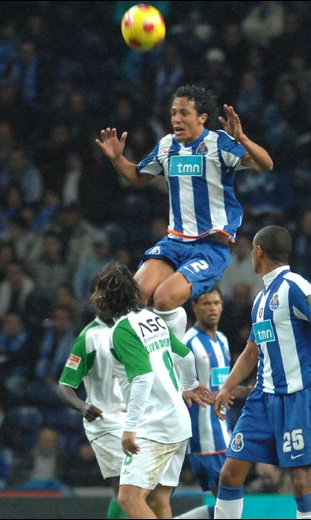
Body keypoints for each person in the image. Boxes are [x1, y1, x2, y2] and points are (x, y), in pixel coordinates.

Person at [95, 84, 273, 340]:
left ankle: (176, 353)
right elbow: (137, 177)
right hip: (174, 243)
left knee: (164, 299)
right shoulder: (167, 145)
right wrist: (117, 159)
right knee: (132, 298)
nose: (176, 119)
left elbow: (266, 165)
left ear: (202, 117)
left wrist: (242, 139)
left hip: (210, 247)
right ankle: (141, 352)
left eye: (184, 113)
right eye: (173, 113)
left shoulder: (219, 143)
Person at [212, 225, 311, 519]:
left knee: (301, 483)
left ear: (259, 251)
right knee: (230, 474)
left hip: (298, 397)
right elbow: (252, 351)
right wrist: (226, 387)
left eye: (253, 250)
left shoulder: (296, 286)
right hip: (262, 400)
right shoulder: (261, 299)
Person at [89, 261, 212, 519]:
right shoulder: (152, 319)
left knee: (128, 498)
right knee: (158, 500)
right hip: (179, 421)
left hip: (155, 425)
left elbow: (143, 378)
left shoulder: (121, 330)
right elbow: (185, 355)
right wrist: (189, 385)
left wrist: (130, 428)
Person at [176, 287, 252, 519]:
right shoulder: (187, 342)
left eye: (216, 303)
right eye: (206, 303)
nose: (213, 308)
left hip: (224, 432)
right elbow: (177, 386)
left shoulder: (222, 340)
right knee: (228, 505)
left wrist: (247, 391)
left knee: (228, 508)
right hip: (204, 438)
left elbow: (221, 388)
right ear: (195, 307)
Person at [57, 294, 129, 519]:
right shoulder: (88, 337)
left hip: (135, 417)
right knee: (124, 486)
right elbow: (64, 386)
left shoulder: (131, 328)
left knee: (140, 489)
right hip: (106, 420)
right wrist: (82, 406)